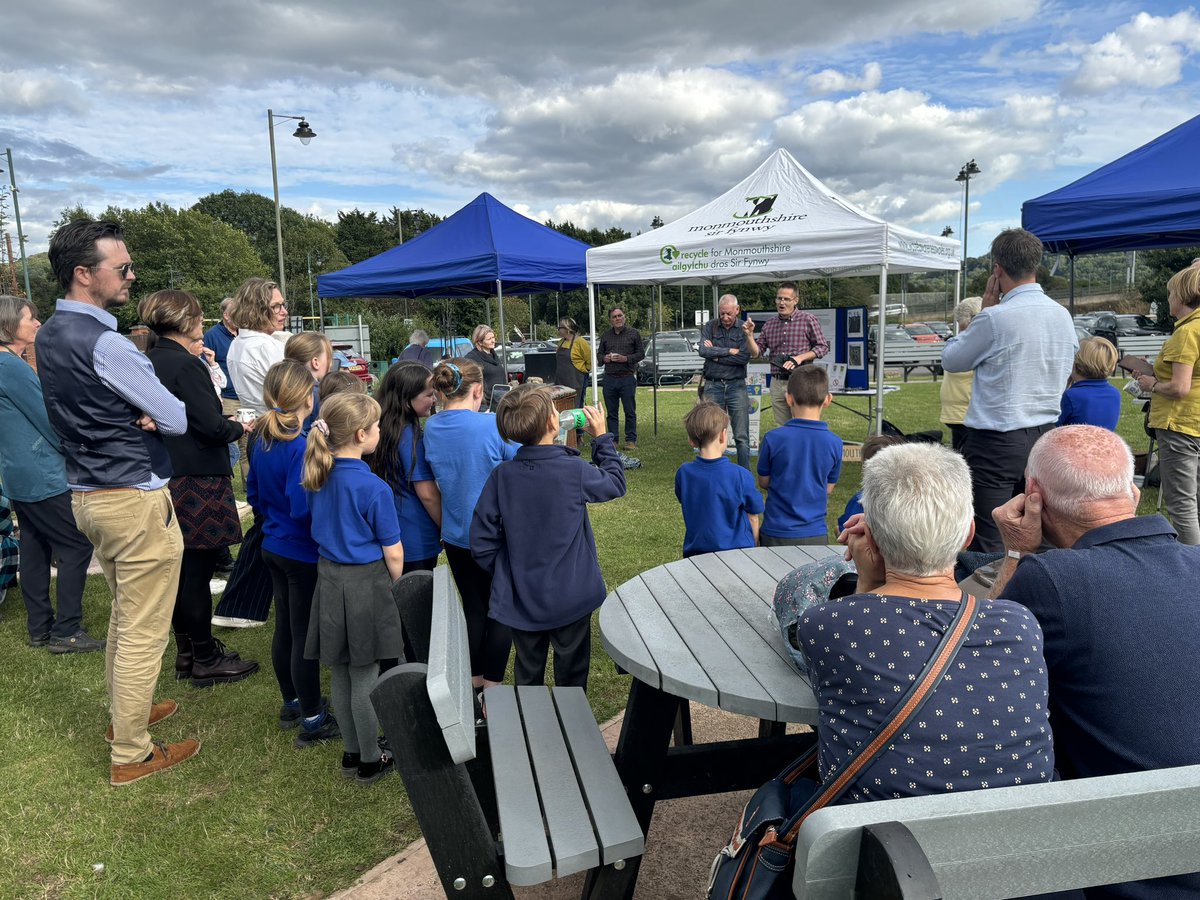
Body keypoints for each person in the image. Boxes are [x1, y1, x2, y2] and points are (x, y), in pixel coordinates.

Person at [989, 425, 1200, 898]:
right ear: (1131, 489)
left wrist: (1016, 553)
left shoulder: (1052, 579)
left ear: (1033, 496)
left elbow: (976, 663)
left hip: (1132, 866)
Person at [38, 218, 199, 785]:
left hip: (88, 492)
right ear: (85, 274)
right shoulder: (106, 341)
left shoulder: (50, 332)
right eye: (122, 267)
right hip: (130, 495)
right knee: (142, 629)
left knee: (127, 618)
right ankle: (131, 751)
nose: (132, 275)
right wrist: (149, 415)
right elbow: (178, 416)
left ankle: (124, 720)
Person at [810, 442, 1054, 802]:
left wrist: (868, 581)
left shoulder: (827, 623)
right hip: (1015, 839)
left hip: (877, 846)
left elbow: (867, 632)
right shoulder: (1020, 625)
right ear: (969, 534)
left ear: (872, 538)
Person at [471, 385, 625, 689]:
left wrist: (505, 571)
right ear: (554, 424)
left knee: (527, 676)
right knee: (572, 677)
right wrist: (603, 438)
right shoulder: (574, 470)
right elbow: (615, 483)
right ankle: (571, 730)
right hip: (572, 595)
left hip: (523, 598)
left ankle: (532, 732)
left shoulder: (502, 477)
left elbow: (481, 540)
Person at [141, 290, 258, 687]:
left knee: (181, 569)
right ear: (186, 320)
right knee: (196, 569)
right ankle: (206, 654)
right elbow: (210, 426)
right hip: (198, 477)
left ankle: (188, 651)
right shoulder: (185, 365)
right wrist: (241, 427)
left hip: (168, 473)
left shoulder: (148, 360)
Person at [941, 228, 1077, 552]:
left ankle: (988, 602)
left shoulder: (994, 318)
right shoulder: (1062, 315)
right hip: (1044, 433)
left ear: (997, 270)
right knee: (1037, 533)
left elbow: (953, 359)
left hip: (997, 440)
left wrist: (984, 311)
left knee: (986, 541)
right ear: (1036, 265)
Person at [303, 392, 406, 784]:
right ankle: (369, 758)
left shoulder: (316, 476)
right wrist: (397, 588)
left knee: (342, 672)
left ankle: (351, 752)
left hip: (328, 579)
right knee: (365, 674)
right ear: (362, 435)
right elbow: (393, 552)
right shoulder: (374, 488)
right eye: (377, 427)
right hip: (366, 583)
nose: (381, 431)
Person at [247, 360, 340, 746]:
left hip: (272, 544)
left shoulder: (263, 441)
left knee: (285, 626)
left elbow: (253, 492)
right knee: (303, 636)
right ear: (308, 397)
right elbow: (302, 507)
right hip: (300, 552)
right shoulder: (298, 447)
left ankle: (293, 701)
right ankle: (313, 718)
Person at [0, 295, 98, 652]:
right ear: (10, 325)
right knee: (75, 544)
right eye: (31, 318)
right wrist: (82, 450)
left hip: (18, 474)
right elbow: (48, 419)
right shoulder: (9, 366)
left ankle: (40, 627)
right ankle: (66, 630)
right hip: (41, 474)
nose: (38, 323)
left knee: (35, 546)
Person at [423, 359, 517, 688]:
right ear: (478, 391)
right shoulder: (492, 426)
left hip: (455, 535)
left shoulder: (431, 429)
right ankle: (492, 687)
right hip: (496, 536)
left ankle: (475, 682)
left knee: (474, 609)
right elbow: (525, 460)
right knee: (501, 609)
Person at [1134, 264, 1200, 544]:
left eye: (1170, 293)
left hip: (1179, 424)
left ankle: (1189, 572)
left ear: (1183, 297)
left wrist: (1153, 384)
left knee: (1182, 505)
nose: (1168, 299)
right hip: (1195, 422)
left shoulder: (1186, 333)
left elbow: (1179, 387)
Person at [369, 362, 442, 574]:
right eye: (428, 395)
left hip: (387, 534)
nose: (434, 400)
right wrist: (445, 528)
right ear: (407, 398)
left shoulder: (378, 428)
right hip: (416, 538)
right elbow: (427, 493)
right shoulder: (410, 435)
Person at [757, 365, 842, 546]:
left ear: (789, 398)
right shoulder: (835, 443)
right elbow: (828, 488)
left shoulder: (773, 438)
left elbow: (763, 481)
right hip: (815, 532)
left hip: (776, 531)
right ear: (828, 400)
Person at [674, 401, 763, 557]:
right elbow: (753, 516)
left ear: (691, 440)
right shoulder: (740, 475)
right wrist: (755, 545)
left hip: (696, 554)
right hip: (738, 554)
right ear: (723, 435)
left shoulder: (684, 473)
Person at [754, 281, 829, 428]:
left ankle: (806, 450)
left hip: (801, 380)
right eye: (779, 298)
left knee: (804, 424)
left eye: (786, 299)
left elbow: (822, 347)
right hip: (777, 382)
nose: (781, 302)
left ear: (795, 300)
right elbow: (757, 352)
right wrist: (749, 336)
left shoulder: (808, 319)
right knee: (783, 426)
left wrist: (799, 358)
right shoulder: (769, 324)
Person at [698, 294, 759, 468]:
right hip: (713, 384)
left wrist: (716, 355)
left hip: (736, 386)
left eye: (729, 314)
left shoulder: (744, 329)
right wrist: (729, 351)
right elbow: (702, 351)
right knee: (710, 431)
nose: (725, 318)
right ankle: (712, 470)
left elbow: (743, 358)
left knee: (741, 436)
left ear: (737, 310)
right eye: (722, 313)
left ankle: (744, 474)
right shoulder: (710, 326)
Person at [226, 277, 288, 415]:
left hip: (256, 425)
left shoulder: (236, 343)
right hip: (280, 426)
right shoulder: (268, 347)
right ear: (257, 310)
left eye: (283, 305)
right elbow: (293, 395)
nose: (284, 311)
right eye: (276, 306)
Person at [939, 297, 982, 451]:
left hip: (953, 410)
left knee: (959, 453)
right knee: (971, 458)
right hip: (966, 410)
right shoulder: (974, 343)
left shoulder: (955, 342)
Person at [836, 433, 904, 530]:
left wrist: (838, 530)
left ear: (866, 467)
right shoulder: (914, 501)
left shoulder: (861, 501)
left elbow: (847, 533)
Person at [598, 308, 644, 451]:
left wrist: (626, 359)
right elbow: (599, 355)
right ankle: (613, 440)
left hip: (627, 378)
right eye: (614, 317)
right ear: (610, 320)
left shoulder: (634, 334)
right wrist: (604, 358)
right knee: (611, 412)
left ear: (624, 317)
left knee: (629, 411)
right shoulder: (605, 336)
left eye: (620, 316)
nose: (617, 318)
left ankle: (630, 440)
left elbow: (641, 354)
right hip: (610, 379)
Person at [1058, 337, 1121, 429]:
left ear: (1075, 365)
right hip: (1104, 442)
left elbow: (1052, 428)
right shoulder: (1115, 393)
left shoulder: (1071, 396)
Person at [284, 330, 333, 432]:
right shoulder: (320, 394)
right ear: (315, 362)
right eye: (329, 358)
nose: (331, 364)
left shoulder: (282, 388)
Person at [202, 297, 240, 416]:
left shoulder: (245, 334)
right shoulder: (211, 336)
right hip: (229, 399)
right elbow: (205, 368)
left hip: (249, 397)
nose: (240, 316)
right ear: (226, 315)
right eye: (236, 312)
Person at [553, 317, 592, 412]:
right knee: (560, 406)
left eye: (560, 327)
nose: (558, 329)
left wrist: (582, 371)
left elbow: (590, 362)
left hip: (576, 381)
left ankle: (577, 427)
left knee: (576, 406)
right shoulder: (560, 342)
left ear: (568, 329)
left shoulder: (581, 342)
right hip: (560, 381)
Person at [465, 324, 506, 406]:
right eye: (489, 339)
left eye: (493, 337)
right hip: (484, 405)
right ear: (479, 342)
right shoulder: (471, 358)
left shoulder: (493, 355)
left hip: (500, 402)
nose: (493, 341)